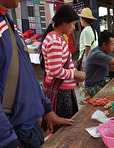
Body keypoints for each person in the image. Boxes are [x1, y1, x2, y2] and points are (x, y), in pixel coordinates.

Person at [0, 1, 75, 148]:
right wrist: (7, 145)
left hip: (29, 130)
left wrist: (46, 108)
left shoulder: (8, 22)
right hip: (11, 136)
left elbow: (28, 77)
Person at [40, 5, 85, 133]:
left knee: (66, 127)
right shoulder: (54, 40)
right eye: (73, 24)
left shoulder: (57, 38)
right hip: (61, 93)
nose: (74, 28)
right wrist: (75, 74)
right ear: (64, 22)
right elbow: (55, 71)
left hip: (64, 91)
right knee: (64, 130)